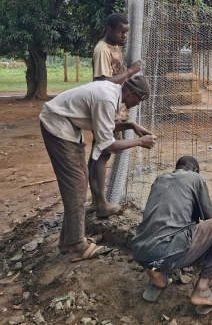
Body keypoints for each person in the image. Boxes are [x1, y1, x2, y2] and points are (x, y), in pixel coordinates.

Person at [40, 75, 156, 262]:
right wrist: (139, 142)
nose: (138, 104)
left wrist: (130, 124)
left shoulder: (111, 93)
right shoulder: (106, 99)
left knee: (79, 182)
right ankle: (78, 247)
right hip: (57, 127)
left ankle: (67, 241)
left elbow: (105, 125)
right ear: (133, 93)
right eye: (140, 99)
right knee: (76, 187)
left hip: (68, 127)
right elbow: (107, 144)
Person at [132, 156, 212, 314]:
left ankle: (157, 274)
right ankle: (202, 290)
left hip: (140, 251)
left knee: (167, 233)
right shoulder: (195, 178)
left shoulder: (160, 179)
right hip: (167, 251)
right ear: (196, 171)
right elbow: (210, 219)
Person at [90, 12, 141, 217]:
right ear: (109, 30)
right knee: (103, 152)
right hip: (105, 106)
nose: (124, 37)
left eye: (126, 33)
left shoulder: (114, 47)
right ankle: (100, 203)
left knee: (101, 152)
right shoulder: (102, 50)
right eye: (121, 32)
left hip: (114, 107)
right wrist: (130, 71)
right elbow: (101, 82)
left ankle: (96, 201)